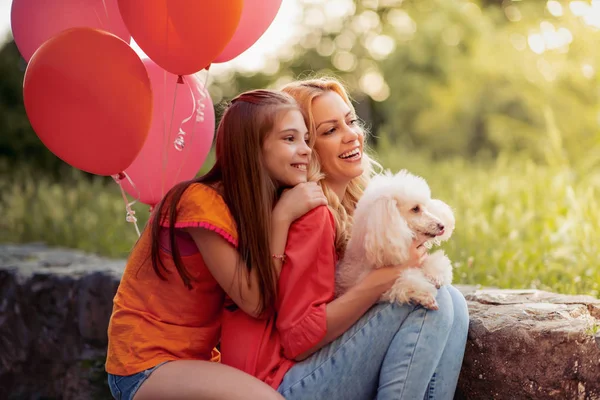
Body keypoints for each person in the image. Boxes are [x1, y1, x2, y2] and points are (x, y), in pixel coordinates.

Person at [220, 78, 469, 400]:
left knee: (452, 300)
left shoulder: (348, 210)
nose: (351, 134)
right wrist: (387, 276)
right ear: (305, 148)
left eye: (350, 121)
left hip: (303, 372)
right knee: (429, 306)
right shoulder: (312, 216)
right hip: (278, 384)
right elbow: (299, 339)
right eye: (330, 130)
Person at [105, 89, 327, 400]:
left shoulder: (248, 206)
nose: (305, 150)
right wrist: (283, 217)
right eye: (290, 139)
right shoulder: (199, 201)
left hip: (196, 362)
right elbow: (254, 301)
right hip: (145, 365)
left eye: (305, 139)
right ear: (250, 147)